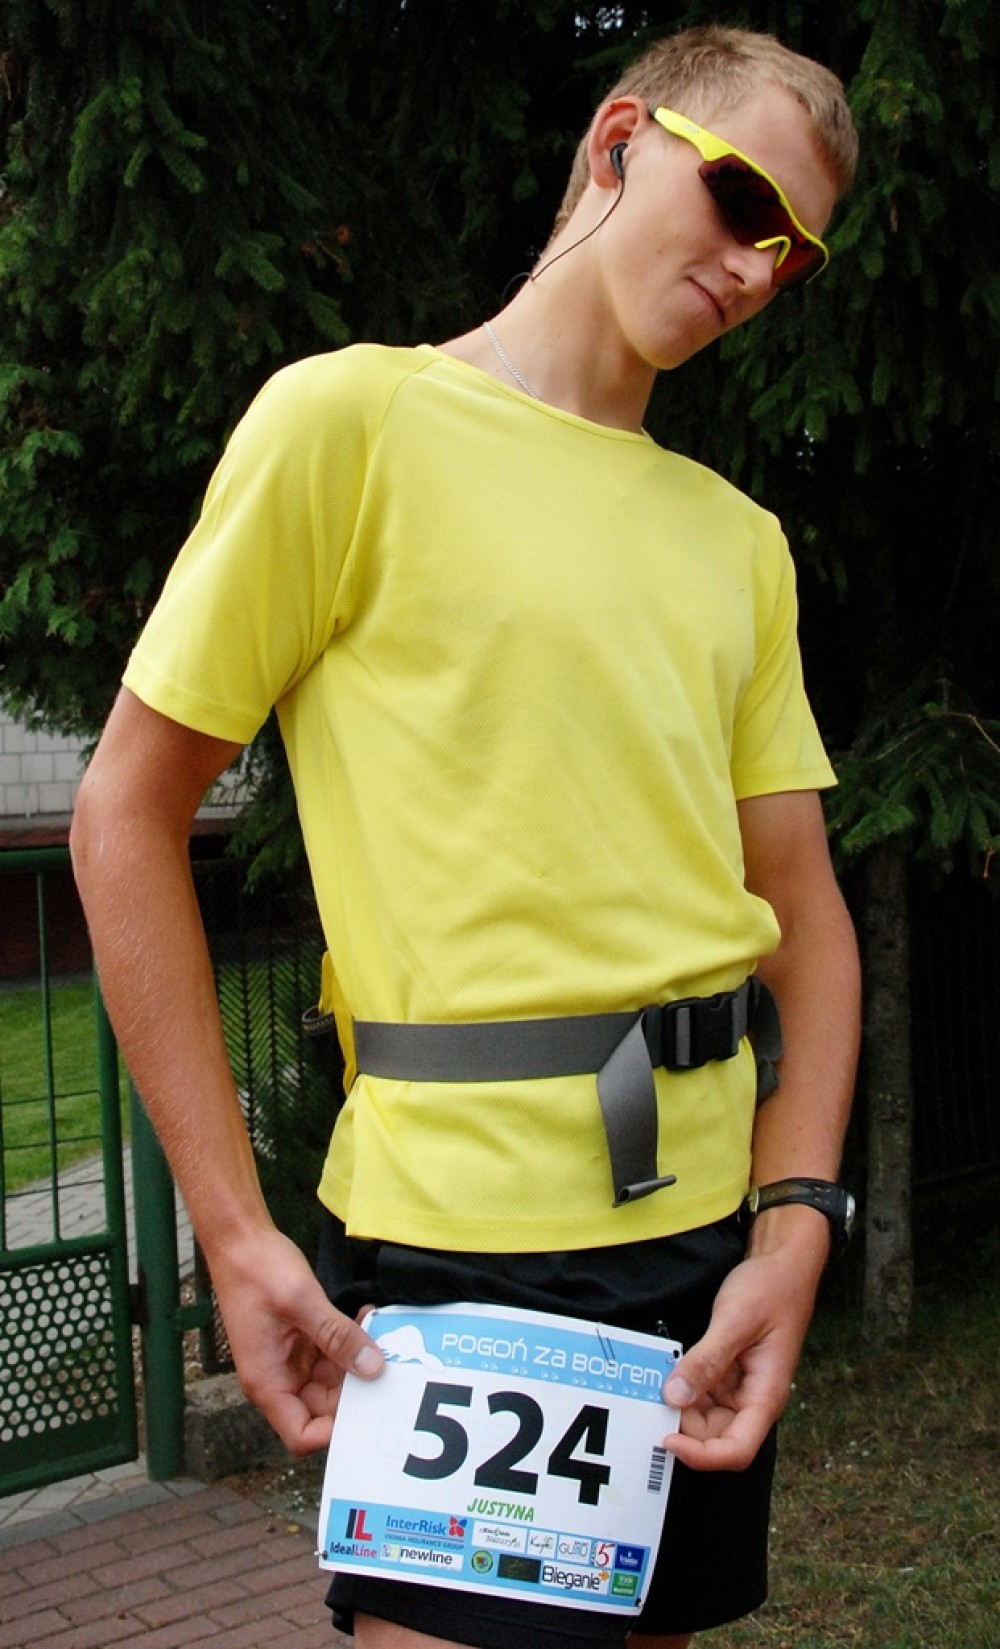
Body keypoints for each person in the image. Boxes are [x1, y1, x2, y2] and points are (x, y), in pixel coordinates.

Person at [70, 22, 862, 1649]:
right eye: (740, 201)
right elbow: (124, 812)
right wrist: (234, 1227)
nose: (756, 268)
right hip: (463, 1255)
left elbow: (804, 912)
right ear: (620, 140)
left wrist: (796, 1224)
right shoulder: (351, 425)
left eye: (794, 250)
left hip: (702, 1251)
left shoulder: (738, 542)